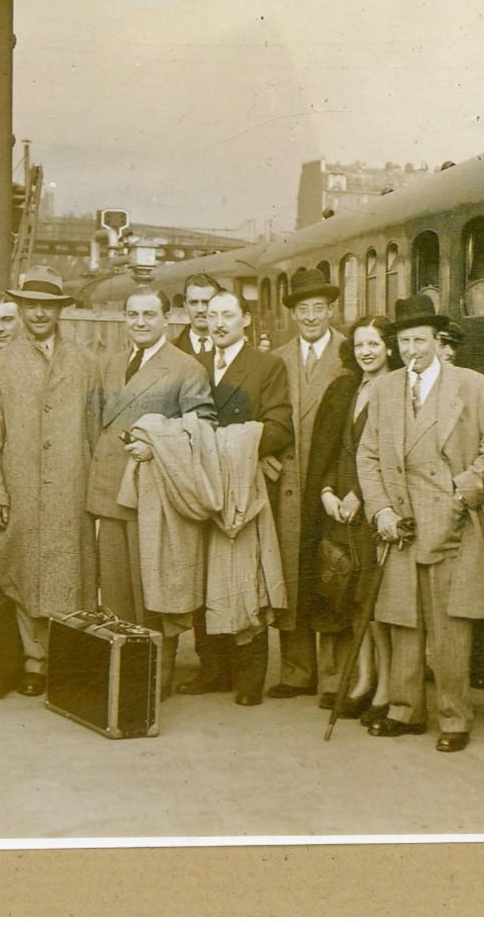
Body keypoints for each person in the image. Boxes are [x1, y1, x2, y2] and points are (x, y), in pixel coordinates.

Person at [357, 293, 484, 752]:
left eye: (420, 340)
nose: (413, 350)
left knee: (449, 628)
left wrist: (462, 492)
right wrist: (381, 509)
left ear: (437, 340)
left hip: (454, 525)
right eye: (404, 341)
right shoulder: (384, 390)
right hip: (401, 526)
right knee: (403, 621)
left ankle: (454, 718)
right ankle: (405, 711)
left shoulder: (473, 385)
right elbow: (367, 455)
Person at [0, 265, 101, 697]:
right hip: (21, 484)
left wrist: (96, 489)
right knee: (21, 567)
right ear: (21, 308)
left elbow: (97, 429)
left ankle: (65, 656)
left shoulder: (85, 362)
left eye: (47, 306)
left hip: (72, 484)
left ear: (59, 310)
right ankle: (34, 659)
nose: (38, 314)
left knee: (71, 570)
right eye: (31, 306)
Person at [87, 288, 216, 693]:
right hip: (109, 490)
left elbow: (203, 427)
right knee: (118, 590)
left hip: (153, 493)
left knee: (155, 588)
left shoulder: (185, 367)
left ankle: (156, 677)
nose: (139, 322)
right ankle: (126, 672)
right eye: (132, 314)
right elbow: (95, 421)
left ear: (167, 319)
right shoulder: (109, 362)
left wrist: (155, 445)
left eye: (148, 314)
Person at [177, 289, 292, 705]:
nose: (219, 323)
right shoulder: (194, 366)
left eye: (228, 315)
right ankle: (212, 670)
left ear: (246, 320)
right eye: (212, 315)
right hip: (200, 489)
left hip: (244, 488)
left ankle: (248, 680)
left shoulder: (267, 366)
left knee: (245, 583)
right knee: (204, 580)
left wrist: (225, 448)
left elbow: (280, 426)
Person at [305, 314, 401, 720]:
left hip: (373, 506)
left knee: (375, 602)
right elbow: (335, 448)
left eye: (374, 344)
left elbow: (390, 455)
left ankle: (384, 688)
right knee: (350, 598)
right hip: (340, 506)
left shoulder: (396, 390)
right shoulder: (348, 387)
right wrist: (327, 491)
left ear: (389, 348)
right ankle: (361, 680)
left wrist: (360, 496)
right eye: (360, 344)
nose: (366, 352)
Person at [269, 269, 349, 700]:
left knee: (333, 573)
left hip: (331, 480)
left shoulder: (348, 354)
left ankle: (336, 679)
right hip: (288, 484)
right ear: (294, 315)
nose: (312, 317)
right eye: (304, 310)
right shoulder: (278, 358)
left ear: (331, 310)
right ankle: (297, 671)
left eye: (319, 308)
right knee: (292, 574)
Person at [174, 272, 222, 357]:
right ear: (185, 307)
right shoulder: (171, 350)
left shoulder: (230, 348)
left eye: (206, 302)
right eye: (194, 303)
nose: (200, 310)